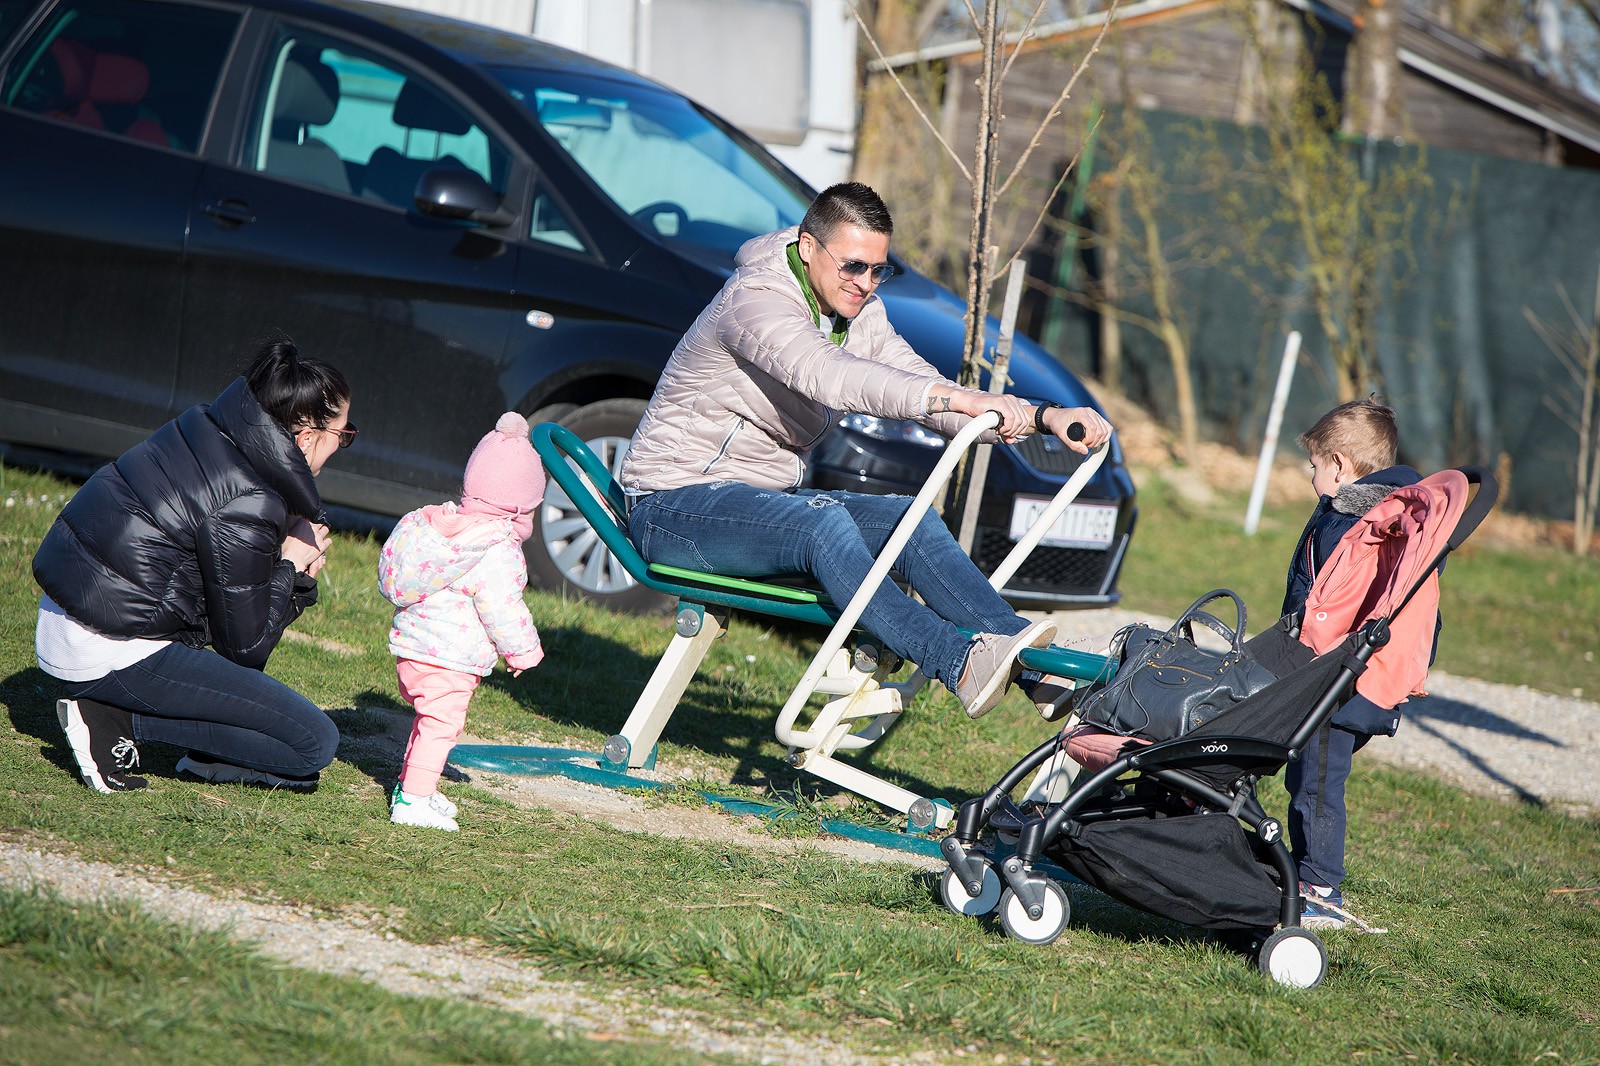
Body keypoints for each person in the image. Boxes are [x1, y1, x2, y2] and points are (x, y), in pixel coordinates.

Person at [618, 182, 1114, 720]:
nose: (865, 284)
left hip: (753, 505)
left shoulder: (857, 310)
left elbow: (923, 388)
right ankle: (959, 662)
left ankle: (1035, 666)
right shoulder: (754, 303)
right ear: (809, 247)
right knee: (821, 527)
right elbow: (827, 375)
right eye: (853, 266)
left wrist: (1043, 416)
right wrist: (959, 397)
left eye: (879, 270)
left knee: (909, 520)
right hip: (672, 505)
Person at [32, 338, 349, 793]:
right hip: (109, 647)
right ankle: (113, 721)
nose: (343, 446)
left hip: (72, 621)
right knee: (312, 744)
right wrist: (292, 567)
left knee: (273, 725)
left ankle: (191, 747)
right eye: (345, 435)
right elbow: (245, 647)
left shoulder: (206, 428)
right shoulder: (252, 498)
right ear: (305, 437)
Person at [1281, 396, 1428, 929]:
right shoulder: (1372, 515)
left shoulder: (1363, 524)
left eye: (1316, 465)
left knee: (1317, 783)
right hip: (1332, 675)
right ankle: (1301, 870)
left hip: (1340, 681)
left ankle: (1320, 890)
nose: (1310, 476)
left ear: (1340, 464)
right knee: (1306, 777)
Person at [378, 412, 546, 832]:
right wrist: (523, 651)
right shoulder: (495, 547)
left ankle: (414, 785)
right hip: (448, 659)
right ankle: (412, 801)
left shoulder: (441, 527)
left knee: (429, 722)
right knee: (441, 726)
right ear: (521, 506)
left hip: (413, 650)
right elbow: (503, 606)